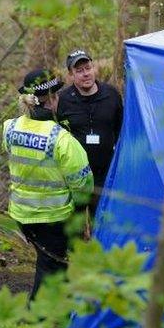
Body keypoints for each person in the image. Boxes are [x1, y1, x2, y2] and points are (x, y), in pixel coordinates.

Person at [4, 69, 94, 299]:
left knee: (48, 264)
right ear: (53, 99)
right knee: (51, 270)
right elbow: (83, 186)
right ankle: (37, 324)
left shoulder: (10, 128)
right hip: (52, 219)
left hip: (21, 215)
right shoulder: (61, 139)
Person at [56, 49, 123, 215]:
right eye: (79, 71)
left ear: (94, 69)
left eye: (88, 68)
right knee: (75, 221)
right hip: (75, 174)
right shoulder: (63, 99)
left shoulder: (112, 94)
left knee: (100, 218)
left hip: (105, 171)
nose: (85, 74)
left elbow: (121, 130)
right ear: (71, 75)